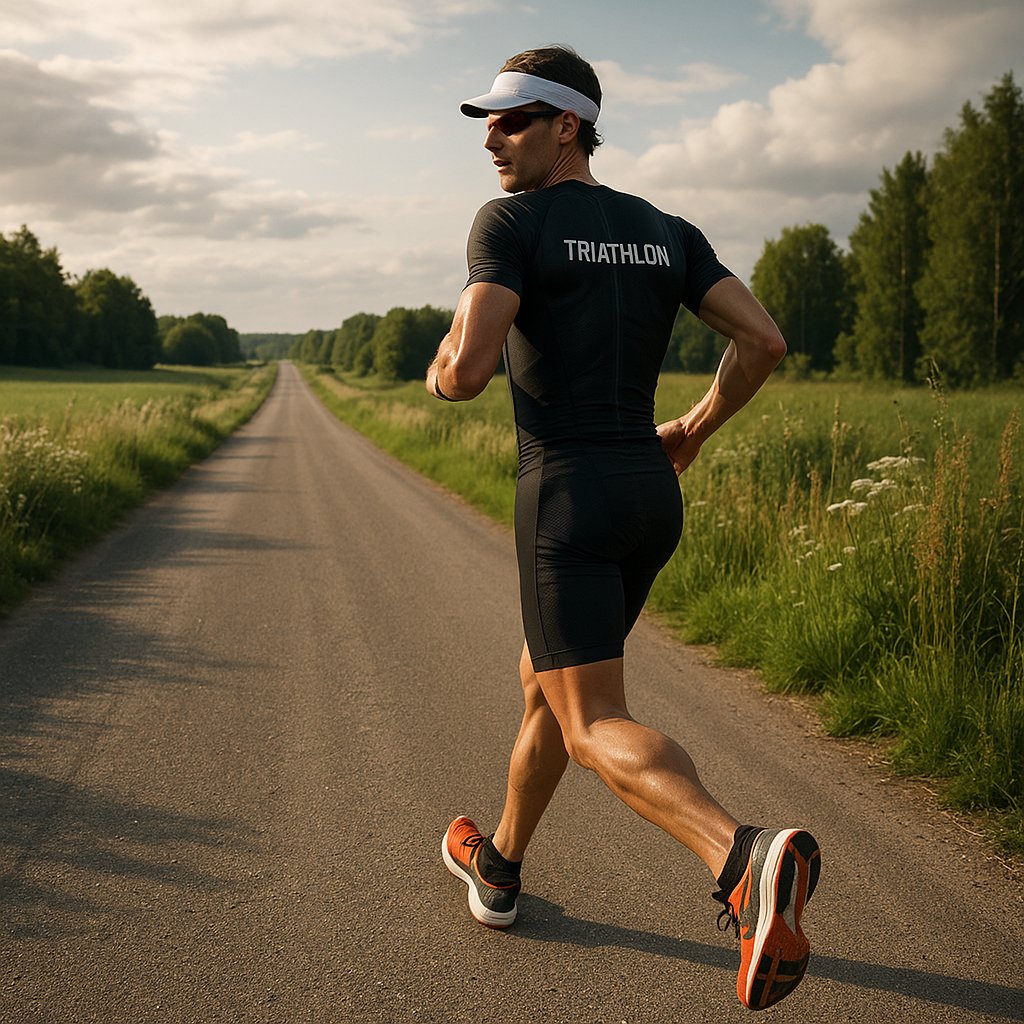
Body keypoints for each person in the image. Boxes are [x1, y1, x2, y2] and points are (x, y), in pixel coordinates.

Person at [426, 45, 820, 1012]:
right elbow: (763, 340)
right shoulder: (665, 231)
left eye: (512, 120)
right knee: (549, 684)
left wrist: (439, 365)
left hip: (565, 495)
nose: (491, 138)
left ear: (568, 126)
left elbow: (467, 373)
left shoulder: (510, 223)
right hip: (649, 494)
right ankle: (499, 867)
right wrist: (693, 427)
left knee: (593, 721)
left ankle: (741, 857)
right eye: (487, 122)